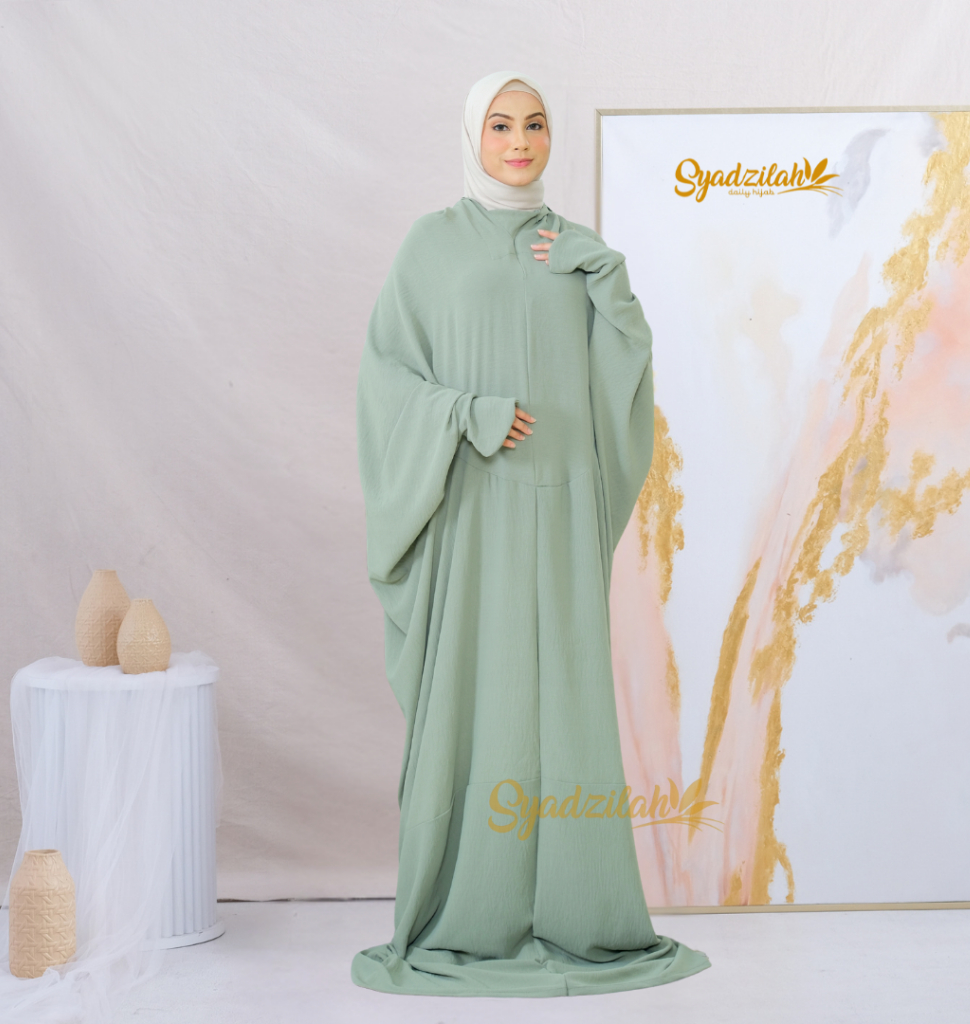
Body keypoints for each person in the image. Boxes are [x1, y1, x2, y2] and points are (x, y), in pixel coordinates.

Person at [353, 70, 710, 997]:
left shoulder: (573, 246)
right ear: (473, 135)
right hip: (472, 512)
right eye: (502, 125)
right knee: (483, 697)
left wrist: (606, 274)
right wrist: (466, 413)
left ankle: (582, 911)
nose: (520, 142)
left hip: (559, 513)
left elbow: (622, 374)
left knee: (564, 702)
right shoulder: (431, 246)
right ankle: (468, 910)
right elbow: (387, 380)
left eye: (536, 124)